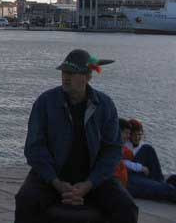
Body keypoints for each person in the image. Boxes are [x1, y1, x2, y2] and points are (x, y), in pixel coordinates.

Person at [14, 49, 138, 223]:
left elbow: (112, 150)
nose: (66, 77)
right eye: (64, 72)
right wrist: (56, 183)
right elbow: (34, 148)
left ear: (88, 77)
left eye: (72, 73)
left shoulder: (105, 105)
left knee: (126, 207)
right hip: (52, 176)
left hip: (94, 178)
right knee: (25, 201)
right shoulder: (45, 102)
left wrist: (89, 184)